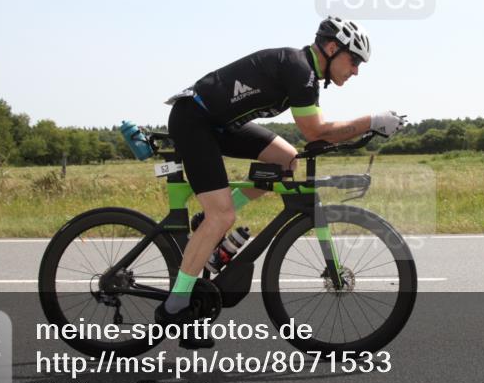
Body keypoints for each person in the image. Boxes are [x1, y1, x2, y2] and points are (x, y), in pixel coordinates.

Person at [155, 17, 406, 330]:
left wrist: (363, 128)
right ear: (331, 48)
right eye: (353, 60)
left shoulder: (306, 73)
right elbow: (315, 131)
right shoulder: (300, 71)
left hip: (219, 123)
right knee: (222, 216)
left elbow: (314, 137)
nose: (355, 70)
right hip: (194, 120)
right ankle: (175, 305)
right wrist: (370, 121)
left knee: (286, 159)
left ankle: (210, 227)